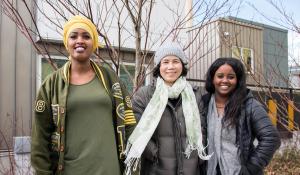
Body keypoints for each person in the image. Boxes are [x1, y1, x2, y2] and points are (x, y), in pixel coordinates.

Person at [31, 15, 137, 175]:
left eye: (86, 36)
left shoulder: (111, 79)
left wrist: (132, 165)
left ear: (93, 43)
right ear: (67, 42)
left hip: (110, 170)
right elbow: (40, 137)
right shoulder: (51, 84)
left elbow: (128, 123)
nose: (80, 40)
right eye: (74, 36)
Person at [124, 42, 211, 175]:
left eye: (175, 61)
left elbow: (203, 128)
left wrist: (196, 156)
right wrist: (154, 153)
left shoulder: (195, 94)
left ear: (182, 65)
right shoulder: (145, 95)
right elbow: (134, 128)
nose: (170, 66)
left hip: (191, 169)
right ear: (159, 66)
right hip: (157, 169)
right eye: (165, 62)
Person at [201, 57, 281, 175]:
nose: (225, 80)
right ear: (212, 78)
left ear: (238, 80)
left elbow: (271, 138)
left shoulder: (249, 105)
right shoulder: (203, 104)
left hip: (237, 171)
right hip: (209, 170)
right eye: (220, 76)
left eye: (231, 77)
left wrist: (250, 168)